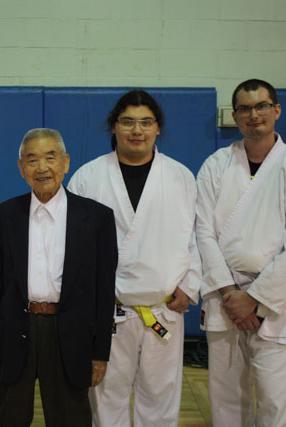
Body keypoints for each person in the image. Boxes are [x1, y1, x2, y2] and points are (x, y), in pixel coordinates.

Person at [196, 79, 286, 426]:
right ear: (235, 116)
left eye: (262, 106)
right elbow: (202, 232)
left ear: (276, 110)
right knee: (225, 399)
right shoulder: (216, 165)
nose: (254, 115)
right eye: (245, 109)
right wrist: (230, 293)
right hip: (225, 300)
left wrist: (254, 299)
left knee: (277, 402)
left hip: (275, 302)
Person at [67, 90, 202, 427]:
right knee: (106, 396)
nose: (137, 131)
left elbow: (197, 237)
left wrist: (190, 285)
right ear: (114, 127)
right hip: (108, 309)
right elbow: (72, 245)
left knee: (160, 397)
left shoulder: (180, 176)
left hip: (164, 306)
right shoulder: (88, 176)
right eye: (127, 122)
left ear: (158, 128)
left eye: (146, 122)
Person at [0, 128, 118, 427]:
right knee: (12, 416)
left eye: (50, 157)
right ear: (21, 168)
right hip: (17, 328)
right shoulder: (5, 215)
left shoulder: (97, 218)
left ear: (66, 163)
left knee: (70, 417)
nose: (42, 168)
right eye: (32, 160)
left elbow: (104, 290)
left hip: (70, 331)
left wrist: (100, 351)